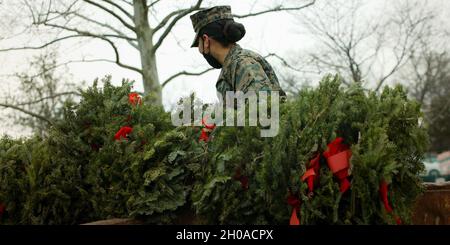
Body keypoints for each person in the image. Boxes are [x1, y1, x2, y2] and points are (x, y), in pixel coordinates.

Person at [189, 5, 286, 104]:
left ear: (205, 40)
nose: (200, 50)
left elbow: (263, 112)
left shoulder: (242, 63)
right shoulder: (233, 67)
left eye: (198, 44)